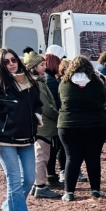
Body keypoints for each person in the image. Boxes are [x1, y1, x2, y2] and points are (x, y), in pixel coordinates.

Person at [0, 48, 43, 211]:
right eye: (6, 61)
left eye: (13, 59)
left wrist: (37, 116)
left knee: (30, 179)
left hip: (27, 138)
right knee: (14, 181)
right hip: (4, 140)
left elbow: (37, 104)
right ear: (0, 65)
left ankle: (9, 206)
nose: (11, 64)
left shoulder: (30, 82)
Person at [57, 56, 106, 201]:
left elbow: (60, 100)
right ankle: (95, 190)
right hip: (95, 124)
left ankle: (69, 192)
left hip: (68, 124)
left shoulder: (64, 83)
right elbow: (104, 99)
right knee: (93, 157)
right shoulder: (97, 83)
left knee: (72, 158)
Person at [24, 53, 62, 199]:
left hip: (39, 125)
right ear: (33, 67)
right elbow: (46, 107)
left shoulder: (32, 82)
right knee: (42, 156)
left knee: (39, 155)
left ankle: (36, 185)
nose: (44, 67)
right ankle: (40, 186)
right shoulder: (38, 84)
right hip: (43, 126)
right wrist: (59, 117)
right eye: (41, 65)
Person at [43, 46, 64, 189]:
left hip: (48, 120)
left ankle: (51, 176)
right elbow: (51, 104)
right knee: (51, 150)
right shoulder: (50, 80)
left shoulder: (48, 78)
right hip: (51, 121)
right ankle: (50, 177)